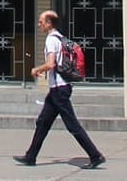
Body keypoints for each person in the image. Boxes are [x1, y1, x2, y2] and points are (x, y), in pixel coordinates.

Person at [14, 10, 106, 169]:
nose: (39, 24)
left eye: (41, 22)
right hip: (58, 88)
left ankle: (95, 155)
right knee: (43, 122)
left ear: (49, 23)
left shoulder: (51, 40)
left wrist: (37, 69)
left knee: (72, 125)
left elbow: (51, 64)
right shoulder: (60, 38)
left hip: (59, 89)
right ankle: (31, 156)